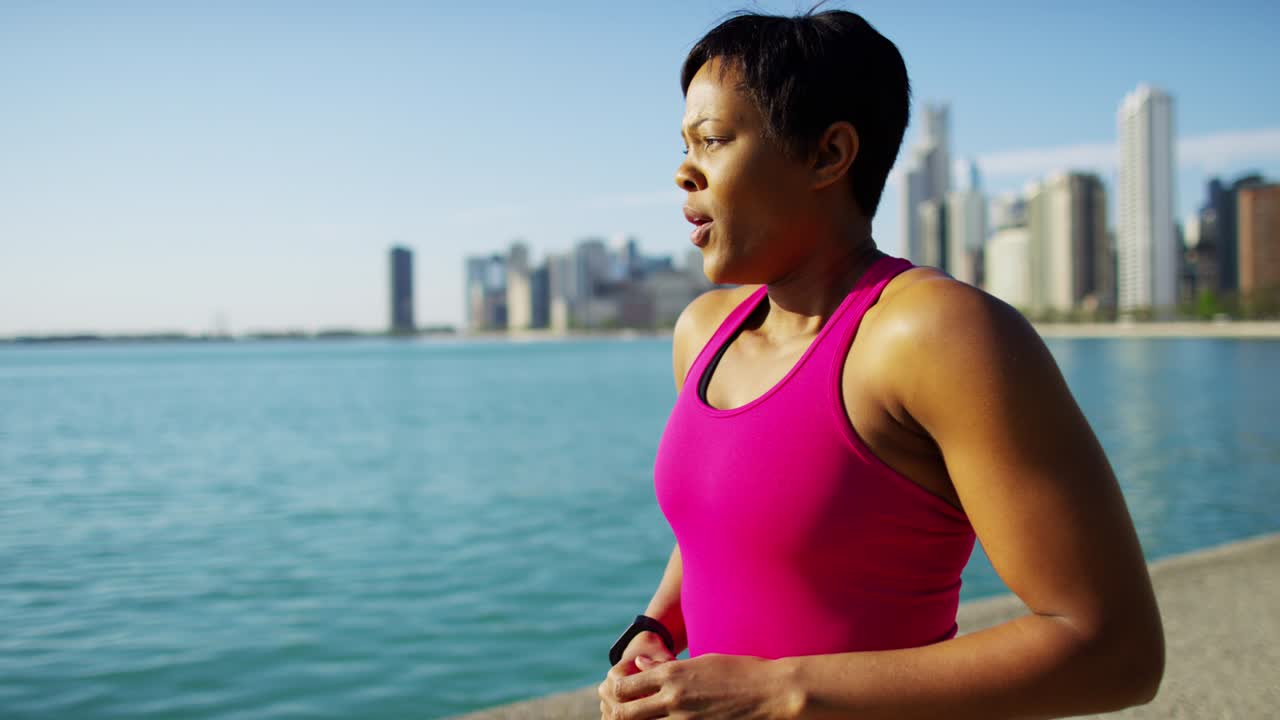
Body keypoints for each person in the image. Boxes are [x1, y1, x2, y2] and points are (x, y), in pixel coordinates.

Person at [597, 8, 1164, 720]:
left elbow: (1117, 651)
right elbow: (722, 532)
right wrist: (657, 627)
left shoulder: (938, 334)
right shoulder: (703, 333)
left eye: (711, 141)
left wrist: (780, 693)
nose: (684, 170)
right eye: (683, 144)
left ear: (829, 155)